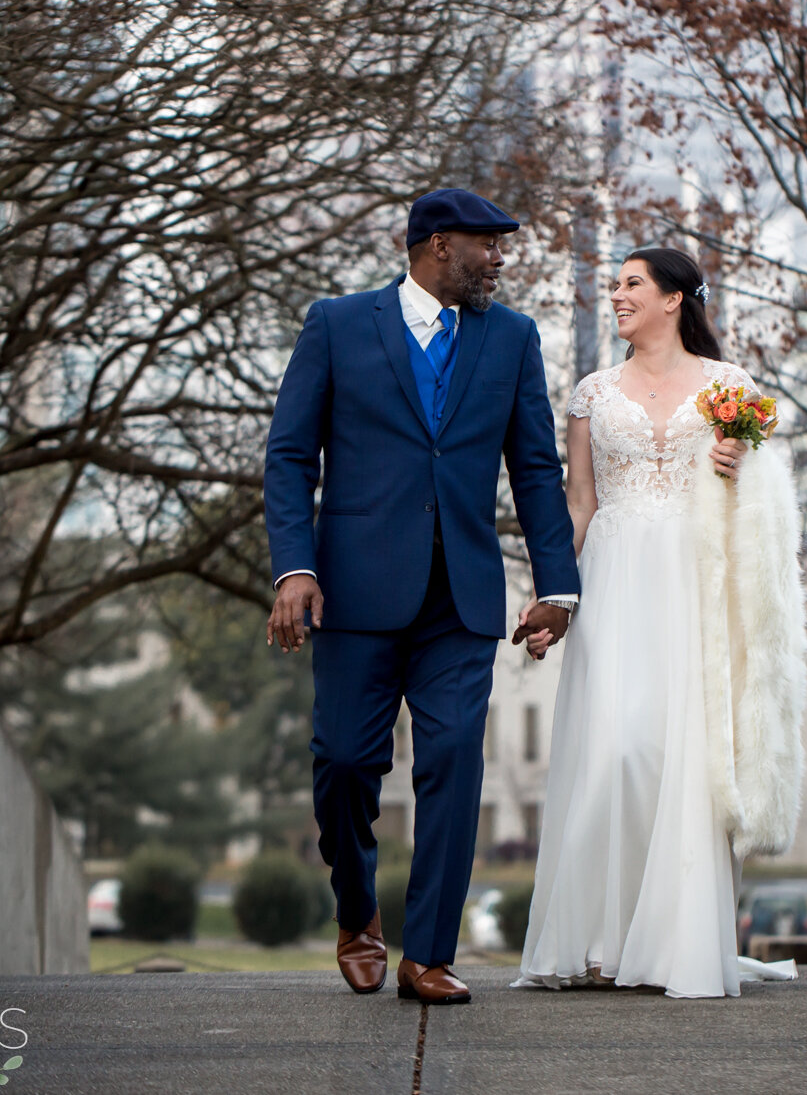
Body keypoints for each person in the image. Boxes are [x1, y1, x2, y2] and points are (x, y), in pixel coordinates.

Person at [264, 188, 580, 1006]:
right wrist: (294, 568)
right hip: (356, 591)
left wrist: (558, 587)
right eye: (489, 244)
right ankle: (358, 911)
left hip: (463, 600)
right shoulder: (336, 324)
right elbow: (291, 455)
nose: (501, 259)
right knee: (342, 763)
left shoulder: (511, 338)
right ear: (439, 245)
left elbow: (536, 468)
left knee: (450, 762)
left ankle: (429, 953)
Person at [517, 246, 807, 999]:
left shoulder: (730, 387)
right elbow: (578, 504)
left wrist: (741, 464)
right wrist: (556, 598)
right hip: (613, 578)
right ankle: (598, 939)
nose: (616, 295)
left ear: (674, 298)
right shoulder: (590, 392)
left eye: (631, 284)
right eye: (614, 285)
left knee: (681, 757)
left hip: (693, 582)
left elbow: (768, 502)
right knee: (615, 748)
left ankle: (673, 942)